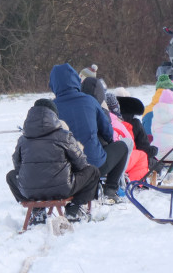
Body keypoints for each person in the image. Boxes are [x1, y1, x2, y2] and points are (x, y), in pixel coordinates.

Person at [5, 99, 100, 222]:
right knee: (92, 171)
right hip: (63, 189)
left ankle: (36, 210)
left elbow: (17, 167)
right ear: (54, 115)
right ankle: (73, 208)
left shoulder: (23, 139)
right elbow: (81, 164)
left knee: (10, 176)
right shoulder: (64, 135)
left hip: (30, 191)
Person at [50, 63, 127, 202]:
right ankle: (111, 189)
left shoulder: (51, 107)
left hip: (64, 170)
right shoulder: (89, 101)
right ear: (75, 80)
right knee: (122, 147)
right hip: (93, 165)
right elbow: (107, 131)